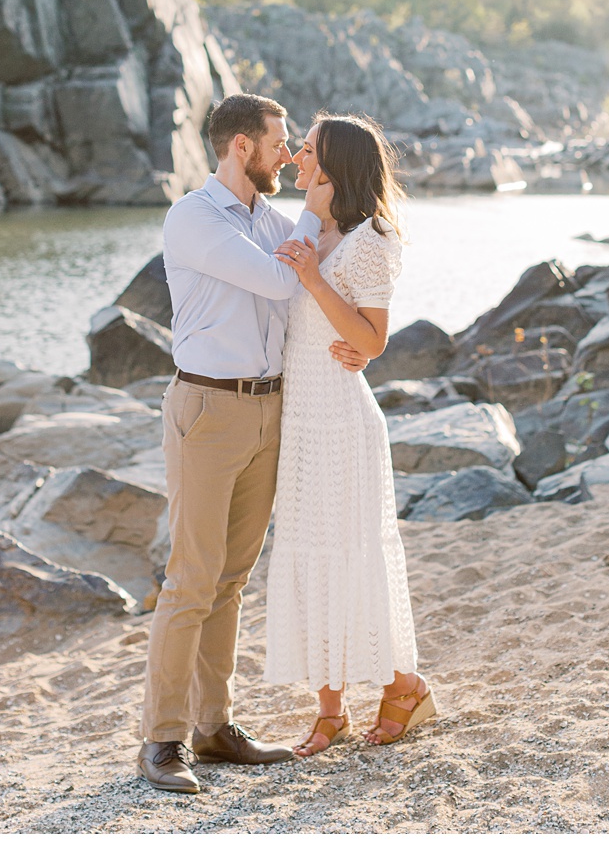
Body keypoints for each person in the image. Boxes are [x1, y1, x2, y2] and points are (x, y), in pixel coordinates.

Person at [138, 92, 371, 794]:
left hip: (271, 408)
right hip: (208, 409)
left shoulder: (271, 219)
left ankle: (215, 726)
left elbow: (314, 290)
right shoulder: (193, 217)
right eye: (279, 142)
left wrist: (360, 344)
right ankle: (162, 740)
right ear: (242, 146)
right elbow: (277, 278)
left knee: (232, 579)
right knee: (191, 578)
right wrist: (313, 211)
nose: (289, 154)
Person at [267, 112, 436, 754]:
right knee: (311, 558)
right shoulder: (311, 226)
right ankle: (330, 711)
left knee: (350, 557)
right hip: (300, 423)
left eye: (307, 150)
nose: (296, 158)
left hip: (343, 421)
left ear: (335, 163)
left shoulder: (373, 239)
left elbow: (372, 341)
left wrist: (313, 278)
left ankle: (404, 687)